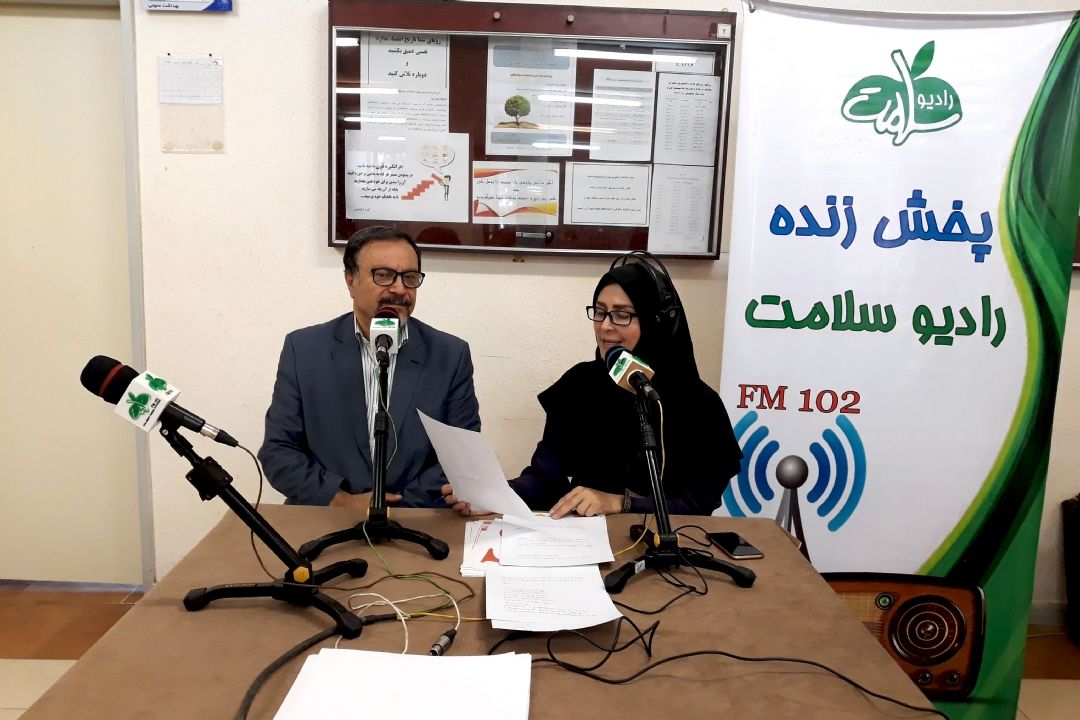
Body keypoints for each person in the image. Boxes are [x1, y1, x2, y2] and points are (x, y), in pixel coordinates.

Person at [442, 254, 741, 518]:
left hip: (664, 545)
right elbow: (544, 476)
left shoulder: (699, 403)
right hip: (588, 542)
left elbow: (699, 503)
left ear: (656, 322)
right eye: (600, 312)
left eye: (622, 315)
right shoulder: (580, 384)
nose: (605, 326)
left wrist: (619, 503)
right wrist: (495, 496)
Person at [259, 225, 481, 508]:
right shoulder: (304, 349)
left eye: (409, 277)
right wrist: (339, 500)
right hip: (327, 515)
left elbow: (463, 453)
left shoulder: (449, 354)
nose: (399, 289)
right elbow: (279, 450)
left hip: (417, 518)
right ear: (350, 280)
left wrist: (395, 507)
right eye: (384, 275)